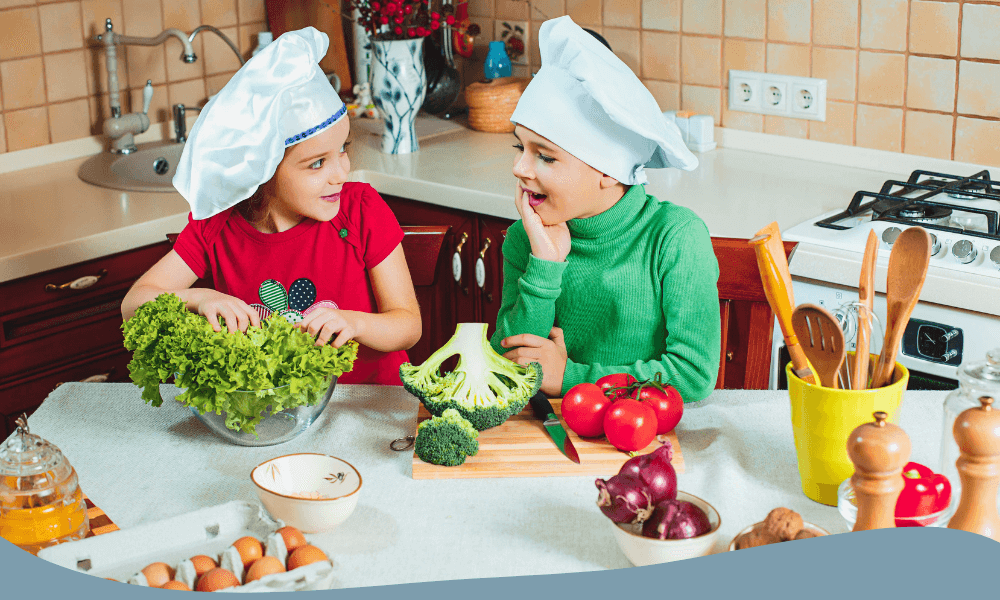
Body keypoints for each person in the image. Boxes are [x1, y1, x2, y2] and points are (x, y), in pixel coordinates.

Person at [121, 28, 421, 386]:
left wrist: (356, 322)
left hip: (370, 408)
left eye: (342, 148)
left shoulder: (360, 209)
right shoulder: (217, 225)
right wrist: (199, 298)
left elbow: (408, 325)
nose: (341, 172)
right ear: (262, 170)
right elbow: (134, 305)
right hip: (275, 417)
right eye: (316, 163)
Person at [489, 16, 721, 403]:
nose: (519, 168)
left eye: (544, 156)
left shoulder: (675, 238)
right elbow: (507, 361)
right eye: (520, 147)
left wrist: (571, 377)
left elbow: (693, 375)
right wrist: (545, 266)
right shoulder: (525, 239)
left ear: (608, 172)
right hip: (542, 438)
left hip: (640, 438)